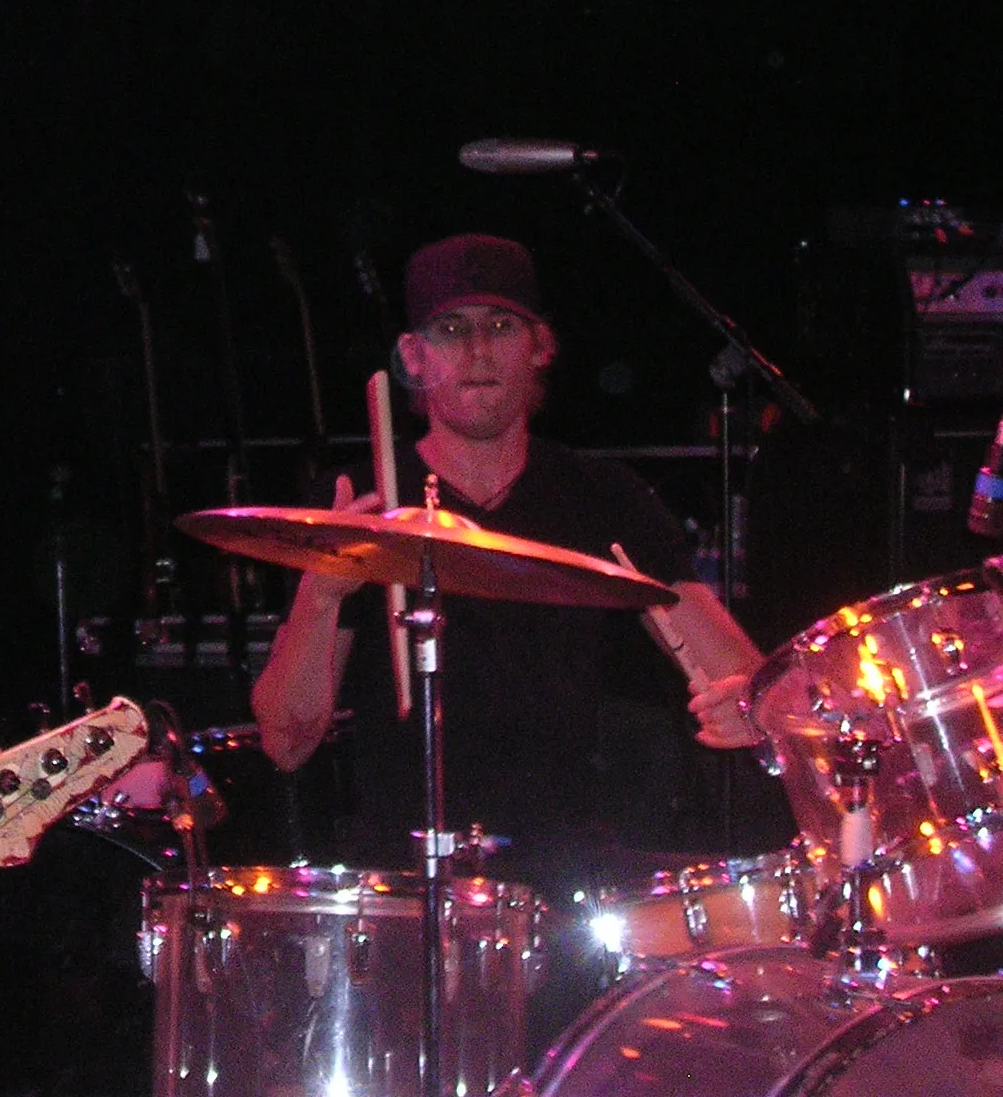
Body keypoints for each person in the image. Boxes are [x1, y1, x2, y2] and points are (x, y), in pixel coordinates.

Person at [250, 234, 759, 887]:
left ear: (541, 346)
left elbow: (746, 682)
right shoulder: (361, 500)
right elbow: (287, 744)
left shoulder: (604, 498)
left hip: (569, 873)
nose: (478, 350)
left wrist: (745, 706)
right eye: (450, 329)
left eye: (501, 326)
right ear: (413, 357)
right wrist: (320, 595)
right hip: (403, 881)